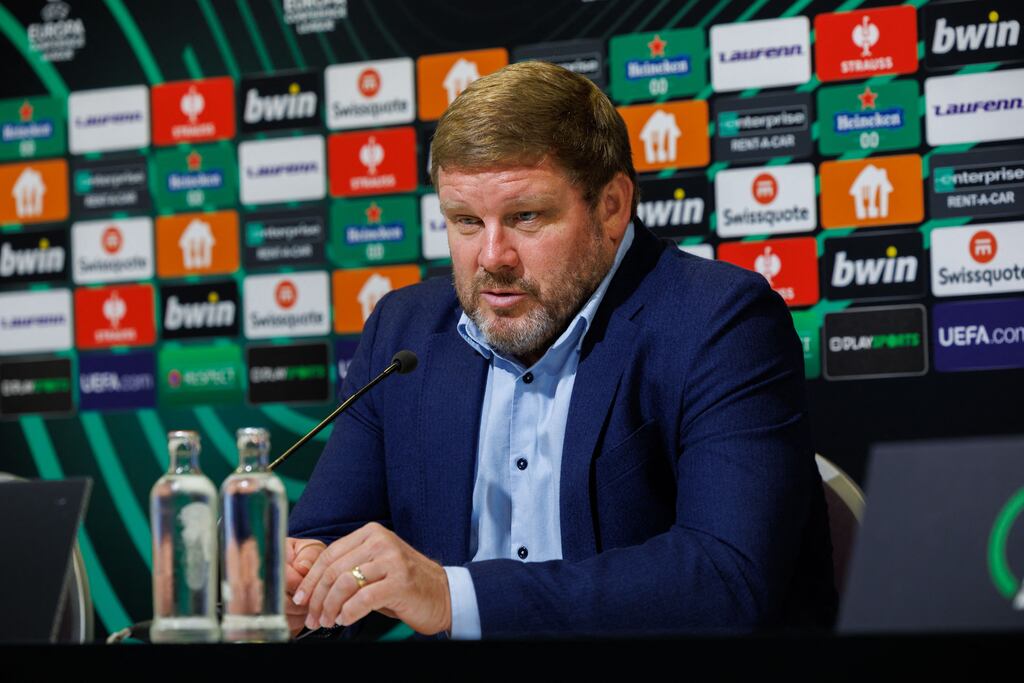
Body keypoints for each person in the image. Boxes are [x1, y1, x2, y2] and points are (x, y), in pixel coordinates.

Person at [286, 60, 837, 639]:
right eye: (466, 221)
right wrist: (300, 588)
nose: (492, 256)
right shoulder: (406, 331)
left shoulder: (719, 322)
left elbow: (727, 577)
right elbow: (332, 541)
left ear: (612, 207)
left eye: (526, 217)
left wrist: (456, 598)